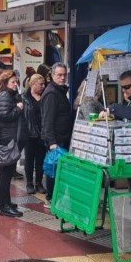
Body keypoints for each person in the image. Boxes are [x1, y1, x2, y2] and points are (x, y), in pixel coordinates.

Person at [0, 71, 26, 217]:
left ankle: (3, 201)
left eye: (16, 81)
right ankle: (5, 206)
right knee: (7, 173)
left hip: (8, 137)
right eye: (13, 82)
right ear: (6, 82)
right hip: (7, 138)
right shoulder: (5, 96)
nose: (15, 84)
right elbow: (4, 116)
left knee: (5, 172)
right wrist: (18, 108)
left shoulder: (9, 95)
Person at [41, 62, 72, 203]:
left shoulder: (60, 91)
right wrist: (52, 142)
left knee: (59, 170)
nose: (62, 77)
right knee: (53, 170)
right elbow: (47, 120)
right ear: (53, 76)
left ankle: (55, 198)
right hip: (56, 140)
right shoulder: (52, 93)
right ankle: (51, 198)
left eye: (64, 75)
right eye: (59, 75)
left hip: (62, 137)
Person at [22, 73, 47, 195]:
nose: (43, 86)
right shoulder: (24, 98)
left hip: (42, 133)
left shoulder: (45, 96)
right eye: (40, 84)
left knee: (41, 159)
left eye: (44, 84)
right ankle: (29, 183)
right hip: (29, 133)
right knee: (29, 159)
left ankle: (39, 182)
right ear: (33, 84)